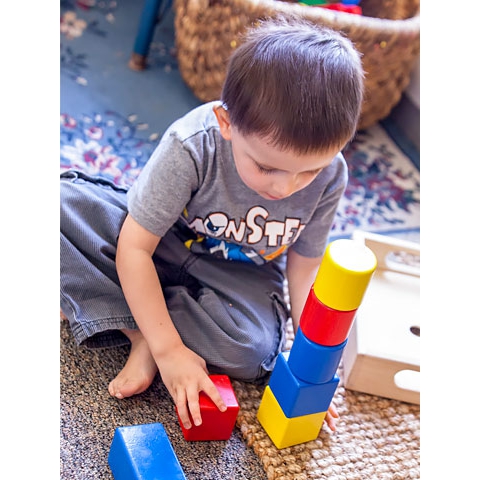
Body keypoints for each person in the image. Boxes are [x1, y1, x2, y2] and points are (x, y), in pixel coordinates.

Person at [60, 16, 364, 433]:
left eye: (308, 172)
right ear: (226, 123)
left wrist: (306, 371)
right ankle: (144, 334)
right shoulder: (191, 145)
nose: (286, 187)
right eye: (266, 167)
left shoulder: (332, 173)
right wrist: (169, 352)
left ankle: (138, 315)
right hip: (161, 241)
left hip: (242, 273)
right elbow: (135, 247)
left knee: (253, 352)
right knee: (56, 208)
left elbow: (304, 265)